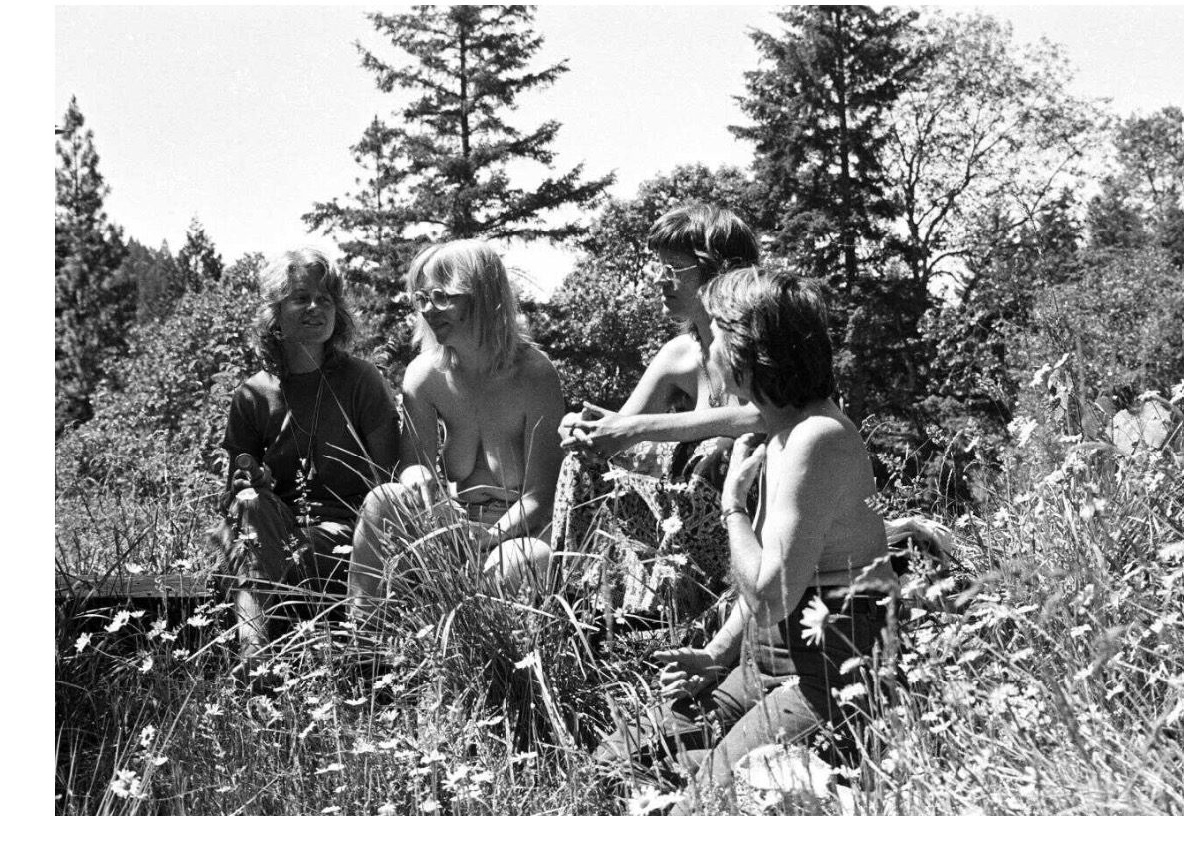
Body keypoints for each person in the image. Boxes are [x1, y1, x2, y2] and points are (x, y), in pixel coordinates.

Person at [596, 267, 899, 814]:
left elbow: (771, 594)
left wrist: (731, 506)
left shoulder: (817, 437)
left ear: (746, 349)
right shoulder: (779, 425)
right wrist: (715, 655)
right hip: (762, 661)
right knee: (619, 761)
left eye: (714, 334)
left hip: (831, 671)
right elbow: (770, 591)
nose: (705, 349)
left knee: (708, 805)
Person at [551, 204, 763, 613]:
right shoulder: (679, 355)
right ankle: (572, 607)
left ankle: (682, 609)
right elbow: (616, 433)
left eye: (674, 269)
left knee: (717, 457)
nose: (659, 281)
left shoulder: (759, 345)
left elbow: (762, 415)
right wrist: (581, 429)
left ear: (717, 271)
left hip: (746, 529)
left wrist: (643, 429)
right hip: (680, 528)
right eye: (658, 267)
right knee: (581, 464)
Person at [346, 239, 565, 605]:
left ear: (483, 296)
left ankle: (492, 654)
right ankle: (362, 643)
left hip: (519, 535)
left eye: (443, 297)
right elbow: (414, 463)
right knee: (382, 499)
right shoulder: (424, 375)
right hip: (451, 527)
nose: (429, 310)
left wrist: (491, 537)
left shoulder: (536, 376)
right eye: (422, 298)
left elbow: (540, 499)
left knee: (522, 561)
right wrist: (418, 478)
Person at [214, 248, 399, 666]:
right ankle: (255, 657)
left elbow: (388, 479)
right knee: (249, 506)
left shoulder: (361, 380)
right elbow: (235, 489)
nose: (316, 307)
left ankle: (295, 656)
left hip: (350, 534)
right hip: (273, 532)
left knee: (275, 549)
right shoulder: (253, 394)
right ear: (274, 313)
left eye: (326, 299)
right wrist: (251, 481)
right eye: (301, 298)